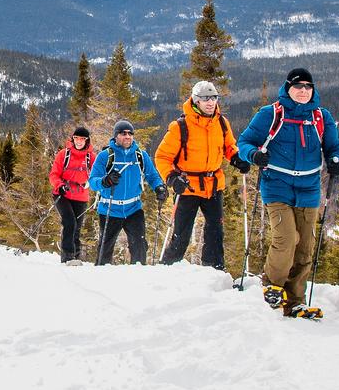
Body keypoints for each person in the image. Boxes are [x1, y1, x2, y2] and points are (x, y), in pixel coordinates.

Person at [230, 68, 339, 316]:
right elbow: (244, 142)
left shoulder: (321, 117)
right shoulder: (271, 114)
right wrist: (254, 155)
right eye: (298, 86)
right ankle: (272, 286)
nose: (303, 91)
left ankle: (295, 301)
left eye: (307, 86)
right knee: (286, 238)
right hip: (277, 186)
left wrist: (337, 160)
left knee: (305, 246)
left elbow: (335, 147)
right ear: (288, 88)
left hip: (309, 188)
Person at [154, 80, 237, 270]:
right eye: (205, 99)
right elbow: (162, 156)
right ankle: (168, 270)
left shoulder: (221, 123)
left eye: (214, 98)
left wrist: (236, 157)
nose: (211, 102)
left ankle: (214, 271)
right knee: (181, 234)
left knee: (215, 232)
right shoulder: (180, 126)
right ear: (196, 100)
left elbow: (229, 147)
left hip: (213, 185)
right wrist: (171, 177)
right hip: (187, 186)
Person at [87, 119, 168, 265]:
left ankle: (138, 273)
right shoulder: (105, 156)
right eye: (123, 133)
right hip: (110, 208)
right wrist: (105, 181)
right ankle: (101, 273)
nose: (127, 136)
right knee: (105, 248)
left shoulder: (140, 155)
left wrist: (159, 187)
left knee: (139, 246)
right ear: (116, 136)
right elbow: (93, 181)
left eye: (130, 133)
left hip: (133, 208)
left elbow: (152, 175)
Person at [48, 125, 97, 263]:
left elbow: (97, 175)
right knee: (69, 222)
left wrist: (90, 183)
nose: (79, 141)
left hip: (81, 196)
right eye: (76, 138)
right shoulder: (64, 154)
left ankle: (75, 257)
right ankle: (68, 257)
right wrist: (60, 185)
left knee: (76, 228)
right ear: (73, 139)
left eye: (82, 139)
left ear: (87, 140)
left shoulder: (91, 157)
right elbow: (53, 175)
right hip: (63, 194)